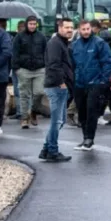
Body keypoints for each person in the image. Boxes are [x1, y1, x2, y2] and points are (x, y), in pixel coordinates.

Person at [71, 20, 111, 151]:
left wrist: (103, 81)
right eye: (83, 29)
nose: (86, 32)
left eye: (87, 29)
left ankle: (90, 138)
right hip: (79, 84)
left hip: (95, 83)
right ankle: (85, 138)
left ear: (91, 29)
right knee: (82, 112)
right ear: (79, 30)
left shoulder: (99, 43)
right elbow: (71, 65)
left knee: (91, 112)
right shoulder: (74, 45)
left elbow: (108, 62)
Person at [41, 18, 75, 162]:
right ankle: (52, 151)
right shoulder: (55, 43)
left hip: (59, 85)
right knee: (57, 121)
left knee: (59, 121)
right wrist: (61, 82)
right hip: (56, 86)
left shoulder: (62, 43)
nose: (69, 30)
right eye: (66, 27)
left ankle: (46, 149)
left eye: (71, 27)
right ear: (59, 28)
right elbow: (53, 64)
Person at [12, 16, 47, 129]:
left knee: (39, 93)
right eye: (30, 24)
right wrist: (17, 68)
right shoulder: (19, 37)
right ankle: (24, 118)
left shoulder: (41, 36)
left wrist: (45, 65)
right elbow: (15, 52)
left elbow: (46, 51)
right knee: (24, 95)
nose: (32, 26)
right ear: (27, 24)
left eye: (34, 24)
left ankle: (33, 112)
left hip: (39, 69)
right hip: (24, 69)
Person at [90, 19, 111, 124]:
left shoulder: (97, 44)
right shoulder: (106, 48)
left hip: (100, 75)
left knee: (102, 96)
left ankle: (99, 115)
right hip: (104, 75)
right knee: (108, 96)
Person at [9, 20, 27, 120]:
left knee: (23, 91)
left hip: (22, 68)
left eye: (22, 27)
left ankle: (23, 112)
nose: (20, 29)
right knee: (17, 90)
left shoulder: (24, 39)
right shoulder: (16, 38)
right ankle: (19, 111)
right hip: (16, 67)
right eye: (19, 27)